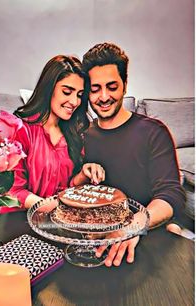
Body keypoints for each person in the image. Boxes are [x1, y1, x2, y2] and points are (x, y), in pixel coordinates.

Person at [80, 42, 186, 267]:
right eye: (95, 88)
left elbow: (171, 195)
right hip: (100, 244)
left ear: (125, 85)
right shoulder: (83, 135)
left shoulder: (153, 132)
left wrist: (132, 226)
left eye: (112, 86)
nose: (104, 96)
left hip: (147, 232)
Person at [1, 55, 105, 213]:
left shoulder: (75, 133)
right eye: (67, 91)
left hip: (57, 221)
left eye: (79, 95)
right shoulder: (20, 129)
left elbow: (67, 188)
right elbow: (13, 191)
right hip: (20, 222)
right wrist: (52, 207)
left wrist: (84, 174)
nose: (74, 102)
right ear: (49, 88)